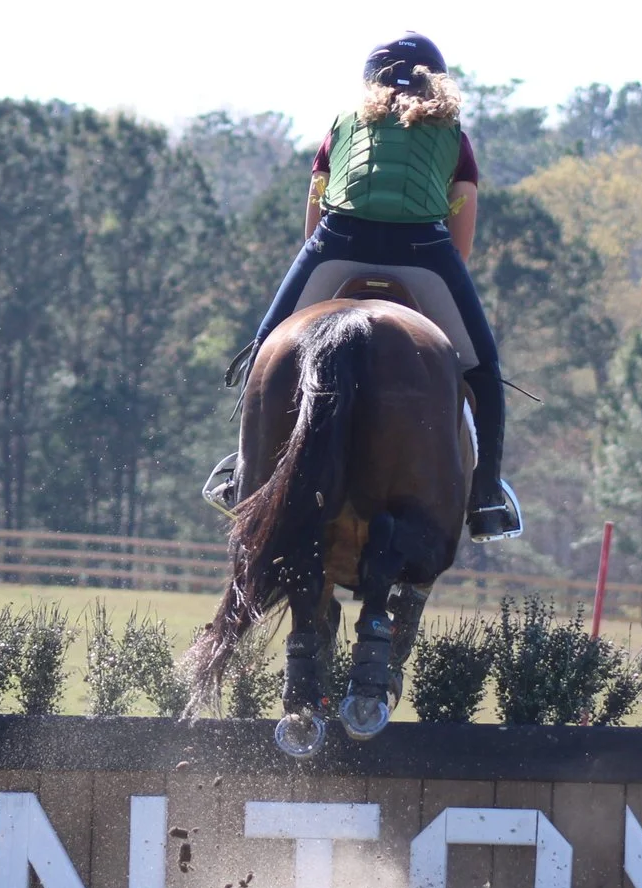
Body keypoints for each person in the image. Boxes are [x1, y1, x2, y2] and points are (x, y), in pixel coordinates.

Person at [205, 33, 520, 540]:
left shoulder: (342, 127)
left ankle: (244, 477)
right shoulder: (455, 138)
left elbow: (313, 221)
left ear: (370, 81)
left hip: (339, 244)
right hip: (423, 253)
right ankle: (485, 496)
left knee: (266, 350)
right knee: (483, 370)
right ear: (436, 82)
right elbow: (461, 245)